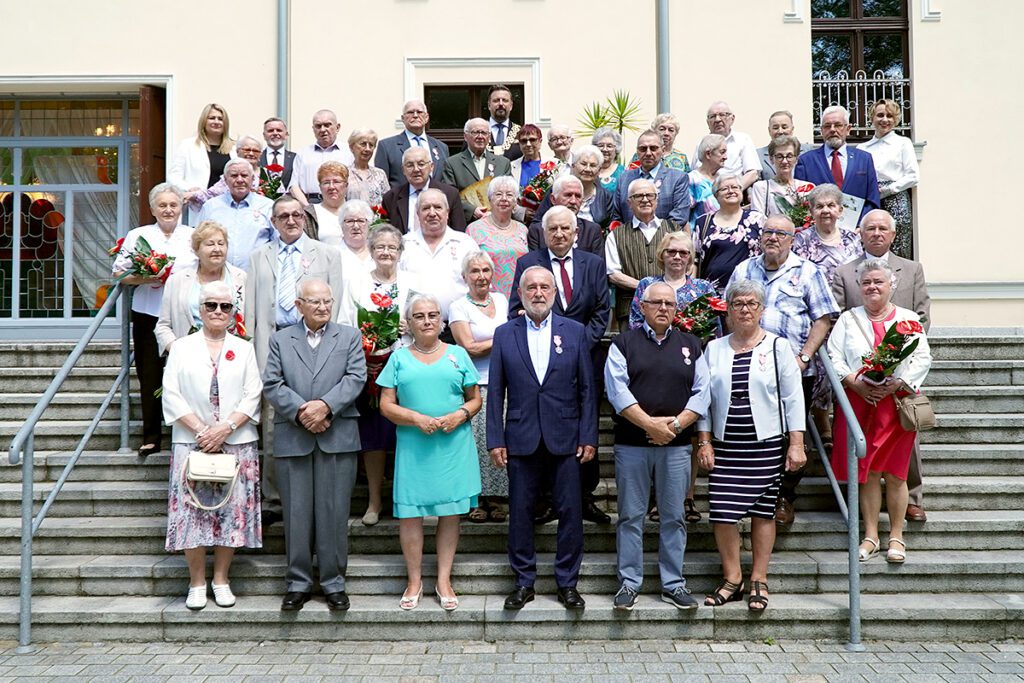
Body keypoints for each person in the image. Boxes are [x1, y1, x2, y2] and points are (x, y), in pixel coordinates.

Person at [691, 279, 806, 612]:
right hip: (726, 446)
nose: (744, 309)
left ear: (762, 309)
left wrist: (796, 443)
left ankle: (759, 578)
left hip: (765, 444)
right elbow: (704, 400)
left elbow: (792, 397)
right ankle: (732, 578)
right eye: (738, 303)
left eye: (751, 304)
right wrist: (704, 441)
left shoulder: (777, 346)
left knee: (762, 511)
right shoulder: (713, 348)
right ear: (727, 309)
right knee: (723, 513)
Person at [487, 266, 597, 611]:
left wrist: (588, 435)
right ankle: (523, 582)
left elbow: (587, 390)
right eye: (531, 287)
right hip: (520, 438)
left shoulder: (575, 332)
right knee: (520, 512)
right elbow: (495, 393)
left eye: (544, 287)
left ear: (553, 293)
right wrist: (495, 439)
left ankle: (567, 583)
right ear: (520, 293)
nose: (537, 292)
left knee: (570, 511)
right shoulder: (505, 333)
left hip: (566, 438)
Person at [728, 215, 840, 526]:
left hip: (792, 372)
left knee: (791, 436)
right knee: (749, 433)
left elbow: (823, 318)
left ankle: (783, 498)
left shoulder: (807, 271)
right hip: (746, 369)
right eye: (768, 232)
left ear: (792, 239)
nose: (773, 237)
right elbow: (728, 313)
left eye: (781, 233)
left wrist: (804, 357)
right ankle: (749, 496)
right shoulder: (743, 269)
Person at [262, 278, 367, 612]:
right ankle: (297, 583)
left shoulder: (349, 336)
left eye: (327, 301)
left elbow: (355, 378)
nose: (323, 307)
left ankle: (334, 583)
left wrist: (325, 407)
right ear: (299, 304)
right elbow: (272, 383)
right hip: (294, 436)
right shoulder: (280, 339)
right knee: (296, 515)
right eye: (315, 302)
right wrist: (302, 412)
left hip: (336, 435)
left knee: (334, 513)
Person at [161, 281, 262, 610]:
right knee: (192, 514)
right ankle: (196, 582)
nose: (218, 312)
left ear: (233, 313)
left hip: (235, 441)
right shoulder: (182, 347)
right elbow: (172, 393)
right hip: (192, 442)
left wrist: (226, 428)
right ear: (199, 310)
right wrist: (203, 430)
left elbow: (253, 393)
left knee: (230, 515)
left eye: (225, 307)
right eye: (211, 306)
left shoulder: (244, 348)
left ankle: (221, 579)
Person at [378, 294, 482, 611]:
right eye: (420, 316)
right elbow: (385, 405)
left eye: (433, 315)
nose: (427, 320)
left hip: (452, 443)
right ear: (408, 324)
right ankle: (413, 580)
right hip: (413, 445)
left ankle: (443, 579)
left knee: (450, 513)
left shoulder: (458, 354)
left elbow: (475, 398)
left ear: (442, 321)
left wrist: (459, 415)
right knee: (410, 514)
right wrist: (414, 418)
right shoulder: (398, 358)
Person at [245, 195, 345, 525]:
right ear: (273, 222)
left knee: (315, 410)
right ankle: (274, 498)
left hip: (313, 340)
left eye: (296, 215)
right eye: (283, 216)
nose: (291, 220)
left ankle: (317, 494)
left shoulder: (327, 254)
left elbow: (337, 304)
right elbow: (251, 311)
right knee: (274, 422)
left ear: (305, 218)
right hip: (273, 342)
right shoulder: (259, 256)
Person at [605, 281, 704, 611]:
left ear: (677, 310)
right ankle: (629, 583)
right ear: (642, 307)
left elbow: (703, 393)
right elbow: (617, 392)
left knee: (674, 517)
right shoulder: (623, 343)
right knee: (631, 516)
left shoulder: (692, 344)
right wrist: (650, 425)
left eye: (669, 304)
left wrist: (674, 426)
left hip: (676, 448)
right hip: (632, 445)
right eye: (656, 303)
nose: (663, 308)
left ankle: (673, 584)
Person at [509, 207, 611, 524]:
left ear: (576, 232)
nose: (559, 234)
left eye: (566, 228)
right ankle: (544, 498)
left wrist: (576, 346)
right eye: (553, 229)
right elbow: (516, 311)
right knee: (544, 428)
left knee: (584, 423)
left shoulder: (592, 264)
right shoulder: (528, 264)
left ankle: (583, 496)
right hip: (540, 367)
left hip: (584, 360)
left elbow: (601, 312)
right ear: (543, 232)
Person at [827, 259, 931, 564]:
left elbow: (922, 356)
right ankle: (871, 536)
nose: (872, 287)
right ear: (859, 288)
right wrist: (854, 382)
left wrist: (899, 381)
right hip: (861, 402)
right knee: (868, 472)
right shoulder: (847, 319)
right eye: (866, 283)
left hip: (895, 404)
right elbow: (834, 355)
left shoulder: (908, 318)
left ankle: (896, 537)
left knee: (896, 474)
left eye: (878, 282)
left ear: (891, 285)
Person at [628, 231, 717, 524]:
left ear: (691, 258)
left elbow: (714, 328)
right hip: (652, 365)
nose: (677, 257)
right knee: (655, 428)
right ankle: (657, 498)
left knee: (688, 435)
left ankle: (686, 497)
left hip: (691, 366)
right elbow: (635, 324)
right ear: (661, 255)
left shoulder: (703, 288)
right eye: (671, 252)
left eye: (683, 252)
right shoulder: (647, 286)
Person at [112, 183, 197, 457]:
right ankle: (151, 435)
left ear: (181, 207)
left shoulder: (192, 236)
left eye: (173, 204)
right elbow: (119, 274)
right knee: (150, 374)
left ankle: (187, 432)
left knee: (187, 373)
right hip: (148, 312)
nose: (168, 210)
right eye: (162, 205)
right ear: (152, 209)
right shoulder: (138, 235)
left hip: (184, 315)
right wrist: (149, 277)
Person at [339, 224, 414, 525]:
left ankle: (404, 498)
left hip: (406, 365)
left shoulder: (411, 283)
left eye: (392, 247)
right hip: (369, 369)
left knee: (405, 433)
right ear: (370, 251)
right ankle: (373, 501)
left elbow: (428, 318)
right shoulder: (356, 283)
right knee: (373, 437)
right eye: (380, 247)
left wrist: (410, 324)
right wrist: (364, 351)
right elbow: (345, 325)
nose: (386, 252)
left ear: (400, 252)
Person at [793, 184, 864, 445]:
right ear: (811, 210)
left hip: (848, 317)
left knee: (846, 366)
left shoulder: (853, 239)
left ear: (840, 210)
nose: (825, 211)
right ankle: (823, 423)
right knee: (821, 370)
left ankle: (843, 422)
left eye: (830, 205)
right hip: (817, 318)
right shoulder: (801, 240)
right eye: (819, 206)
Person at [449, 252, 510, 523]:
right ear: (465, 276)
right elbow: (468, 348)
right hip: (475, 383)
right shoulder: (458, 306)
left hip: (506, 381)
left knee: (499, 442)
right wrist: (505, 335)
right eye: (474, 271)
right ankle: (476, 498)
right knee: (476, 443)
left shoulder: (501, 299)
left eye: (486, 270)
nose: (481, 276)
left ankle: (498, 498)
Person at [156, 220, 246, 356]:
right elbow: (163, 326)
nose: (217, 249)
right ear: (196, 249)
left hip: (231, 357)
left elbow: (251, 322)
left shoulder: (241, 278)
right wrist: (177, 351)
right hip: (187, 358)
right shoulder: (177, 281)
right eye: (210, 244)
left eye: (221, 244)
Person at [606, 177, 685, 326]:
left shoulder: (674, 229)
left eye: (649, 195)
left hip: (669, 309)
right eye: (638, 196)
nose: (645, 200)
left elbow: (687, 265)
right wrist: (648, 288)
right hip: (630, 310)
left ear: (656, 200)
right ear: (629, 202)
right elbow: (613, 275)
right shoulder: (615, 235)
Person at [398, 188, 478, 321]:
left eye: (437, 207)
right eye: (425, 208)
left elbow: (479, 284)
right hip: (414, 329)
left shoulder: (465, 243)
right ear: (417, 214)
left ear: (447, 212)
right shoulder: (404, 244)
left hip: (458, 327)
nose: (432, 213)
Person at [795, 106, 881, 223]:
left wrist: (860, 226)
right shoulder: (806, 161)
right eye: (827, 126)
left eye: (838, 125)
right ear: (821, 130)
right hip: (819, 232)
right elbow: (802, 202)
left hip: (857, 232)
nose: (832, 129)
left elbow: (872, 199)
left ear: (848, 128)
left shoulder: (864, 159)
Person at [859, 99, 920, 258]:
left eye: (889, 116)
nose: (885, 120)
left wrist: (889, 189)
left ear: (896, 119)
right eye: (880, 115)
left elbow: (913, 175)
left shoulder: (902, 143)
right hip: (871, 198)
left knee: (897, 241)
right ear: (872, 118)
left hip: (896, 198)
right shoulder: (862, 148)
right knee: (870, 239)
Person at [195, 158, 274, 269]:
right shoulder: (210, 207)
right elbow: (198, 242)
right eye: (234, 176)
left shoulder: (268, 206)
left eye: (244, 175)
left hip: (256, 275)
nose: (239, 180)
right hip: (217, 276)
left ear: (252, 179)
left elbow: (277, 242)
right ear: (226, 180)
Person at [694, 174, 767, 291]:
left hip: (750, 291)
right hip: (712, 292)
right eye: (724, 189)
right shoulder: (703, 221)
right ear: (716, 195)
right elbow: (695, 260)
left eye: (735, 187)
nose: (731, 191)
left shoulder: (757, 219)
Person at [465, 176, 528, 298]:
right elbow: (468, 268)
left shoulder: (523, 229)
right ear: (489, 199)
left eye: (509, 195)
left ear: (515, 201)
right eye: (498, 194)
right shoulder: (474, 229)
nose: (504, 199)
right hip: (488, 297)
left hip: (519, 297)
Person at [612, 130, 692, 226]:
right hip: (628, 238)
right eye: (643, 149)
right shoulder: (623, 179)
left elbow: (680, 216)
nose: (648, 153)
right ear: (637, 151)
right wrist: (629, 237)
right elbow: (616, 215)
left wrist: (653, 236)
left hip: (666, 239)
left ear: (662, 150)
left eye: (653, 148)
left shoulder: (678, 178)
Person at [442, 118, 513, 224]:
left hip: (498, 224)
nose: (480, 136)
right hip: (466, 224)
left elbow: (510, 193)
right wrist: (472, 210)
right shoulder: (452, 163)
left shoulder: (503, 163)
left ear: (489, 137)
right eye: (475, 132)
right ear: (465, 136)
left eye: (484, 133)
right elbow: (448, 195)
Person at [380, 146, 465, 233]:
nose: (416, 169)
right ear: (403, 170)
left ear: (431, 167)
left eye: (421, 164)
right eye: (410, 165)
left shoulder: (450, 194)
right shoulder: (391, 198)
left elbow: (459, 232)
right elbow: (385, 234)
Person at [530, 146, 615, 230]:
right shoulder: (558, 189)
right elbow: (537, 223)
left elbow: (609, 228)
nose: (588, 169)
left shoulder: (606, 197)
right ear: (573, 166)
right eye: (583, 164)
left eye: (593, 165)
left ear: (599, 170)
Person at [168, 104, 235, 208]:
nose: (216, 122)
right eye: (212, 118)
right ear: (204, 121)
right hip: (198, 206)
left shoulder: (234, 148)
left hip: (227, 206)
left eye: (220, 119)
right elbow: (173, 177)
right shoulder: (187, 146)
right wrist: (190, 188)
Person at [374, 99, 450, 186]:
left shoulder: (441, 147)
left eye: (419, 112)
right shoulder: (386, 146)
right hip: (402, 198)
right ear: (403, 118)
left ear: (426, 117)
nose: (415, 115)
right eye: (410, 112)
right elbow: (381, 184)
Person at [526, 175, 605, 258]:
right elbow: (534, 266)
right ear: (553, 199)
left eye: (578, 196)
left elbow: (597, 268)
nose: (573, 201)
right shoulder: (537, 231)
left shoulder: (592, 231)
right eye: (568, 195)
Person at [184, 136, 263, 212]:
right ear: (238, 152)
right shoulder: (230, 174)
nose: (251, 153)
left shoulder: (268, 174)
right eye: (247, 150)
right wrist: (192, 195)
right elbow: (212, 193)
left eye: (256, 151)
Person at [691, 101, 760, 190]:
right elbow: (694, 171)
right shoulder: (701, 143)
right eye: (712, 116)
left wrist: (732, 191)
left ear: (732, 119)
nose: (717, 119)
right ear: (707, 122)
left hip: (733, 196)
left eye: (722, 115)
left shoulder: (743, 140)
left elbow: (752, 173)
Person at [749, 135, 815, 219]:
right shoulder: (761, 188)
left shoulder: (808, 187)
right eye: (779, 156)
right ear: (771, 159)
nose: (784, 161)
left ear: (796, 159)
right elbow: (758, 221)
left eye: (789, 156)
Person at [295, 109, 355, 201]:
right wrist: (307, 208)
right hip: (311, 203)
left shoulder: (350, 152)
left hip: (342, 204)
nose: (322, 129)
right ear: (313, 129)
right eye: (318, 126)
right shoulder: (302, 154)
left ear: (337, 127)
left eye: (327, 125)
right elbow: (294, 186)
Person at [259, 117, 307, 204]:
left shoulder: (296, 158)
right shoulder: (257, 158)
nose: (275, 133)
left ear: (286, 135)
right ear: (264, 135)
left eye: (279, 130)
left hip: (290, 207)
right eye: (270, 131)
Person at [302, 161, 348, 244]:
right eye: (326, 182)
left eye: (336, 182)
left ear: (346, 185)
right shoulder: (309, 214)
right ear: (320, 187)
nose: (331, 187)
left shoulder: (357, 210)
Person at [345, 129, 389, 207]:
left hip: (377, 218)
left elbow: (388, 201)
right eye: (363, 144)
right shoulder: (344, 174)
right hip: (353, 218)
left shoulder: (380, 174)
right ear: (351, 147)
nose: (367, 149)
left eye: (371, 145)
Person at [688, 134, 726, 221]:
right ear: (708, 154)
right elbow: (684, 213)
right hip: (701, 232)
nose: (726, 157)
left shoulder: (723, 178)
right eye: (722, 152)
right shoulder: (693, 179)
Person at [335, 200, 376, 277]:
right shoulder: (333, 254)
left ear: (369, 225)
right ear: (341, 225)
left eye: (361, 221)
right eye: (350, 221)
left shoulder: (378, 252)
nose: (356, 226)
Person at [755, 110, 795, 182]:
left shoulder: (806, 152)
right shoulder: (757, 155)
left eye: (784, 127)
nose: (780, 131)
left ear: (792, 129)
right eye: (775, 128)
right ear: (769, 130)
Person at [485, 84, 522, 160]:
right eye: (496, 100)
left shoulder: (521, 133)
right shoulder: (475, 133)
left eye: (505, 100)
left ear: (511, 106)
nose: (501, 104)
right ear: (489, 105)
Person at [510, 123, 543, 191]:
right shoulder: (511, 166)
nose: (528, 144)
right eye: (524, 141)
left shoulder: (553, 165)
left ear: (540, 141)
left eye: (532, 140)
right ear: (519, 144)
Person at [593, 127, 625, 191]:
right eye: (601, 145)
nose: (605, 149)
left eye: (609, 146)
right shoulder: (588, 170)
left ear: (616, 149)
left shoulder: (623, 173)